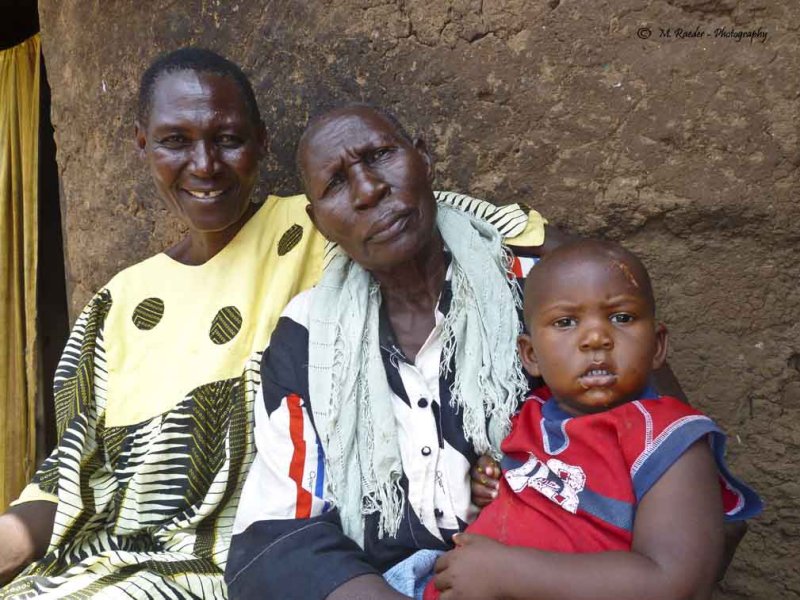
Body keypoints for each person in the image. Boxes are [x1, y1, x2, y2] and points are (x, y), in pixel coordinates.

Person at [0, 52, 549, 597]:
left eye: (227, 139)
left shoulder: (321, 229)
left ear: (262, 142)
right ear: (142, 144)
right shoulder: (117, 303)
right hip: (108, 558)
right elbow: (68, 478)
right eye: (174, 141)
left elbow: (463, 223)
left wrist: (548, 266)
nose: (205, 165)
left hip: (219, 564)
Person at [224, 103, 557, 599]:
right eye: (336, 183)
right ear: (319, 224)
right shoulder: (308, 336)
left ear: (423, 159)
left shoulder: (543, 290)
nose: (367, 190)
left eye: (380, 156)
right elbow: (276, 536)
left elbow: (665, 453)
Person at [427, 240, 762, 600]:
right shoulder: (532, 414)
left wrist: (502, 571)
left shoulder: (669, 442)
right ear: (530, 355)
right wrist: (497, 484)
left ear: (658, 345)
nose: (596, 338)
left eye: (621, 318)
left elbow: (674, 584)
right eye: (565, 322)